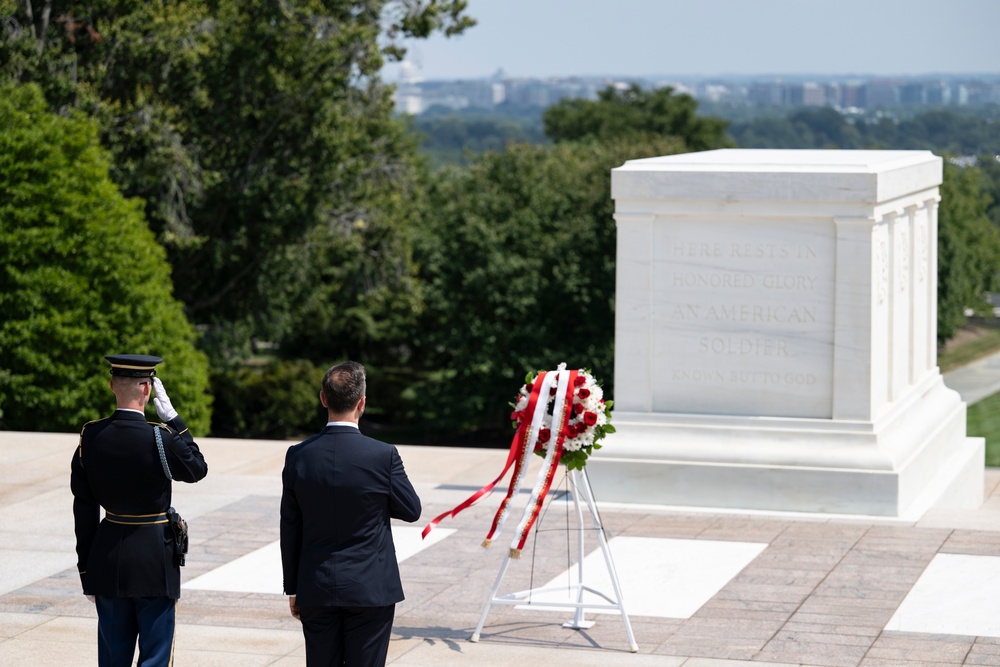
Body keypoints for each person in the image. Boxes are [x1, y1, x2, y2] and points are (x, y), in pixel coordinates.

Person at [280, 361, 421, 667]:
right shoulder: (382, 455)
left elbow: (290, 527)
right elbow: (411, 509)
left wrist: (294, 588)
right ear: (362, 402)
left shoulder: (299, 455)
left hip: (316, 587)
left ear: (323, 398)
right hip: (370, 587)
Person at [71, 354, 208, 667]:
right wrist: (176, 421)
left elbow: (84, 508)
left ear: (111, 386)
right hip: (153, 560)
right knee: (156, 658)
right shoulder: (160, 436)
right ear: (148, 389)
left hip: (106, 558)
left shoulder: (90, 437)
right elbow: (197, 469)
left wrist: (86, 570)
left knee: (112, 659)